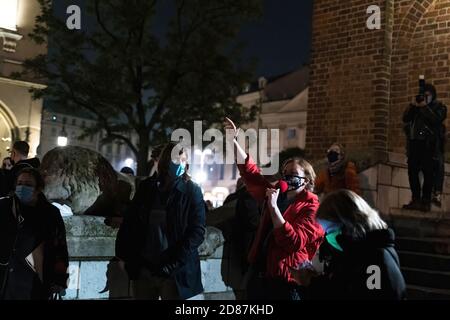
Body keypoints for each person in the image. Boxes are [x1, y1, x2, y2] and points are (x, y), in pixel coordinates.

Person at [224, 117, 324, 300]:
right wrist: (233, 141)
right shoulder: (277, 192)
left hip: (287, 283)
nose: (287, 178)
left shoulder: (312, 207)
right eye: (285, 174)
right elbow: (251, 173)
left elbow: (293, 242)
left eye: (293, 175)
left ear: (307, 180)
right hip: (261, 275)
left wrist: (273, 209)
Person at [115, 142, 206, 300]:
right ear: (166, 161)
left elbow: (197, 232)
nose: (180, 164)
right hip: (144, 268)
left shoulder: (192, 190)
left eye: (183, 160)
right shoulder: (147, 188)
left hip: (175, 272)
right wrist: (123, 256)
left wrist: (172, 264)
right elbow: (130, 223)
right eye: (176, 160)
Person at [290, 189, 406, 300]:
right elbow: (342, 286)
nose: (328, 237)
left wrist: (311, 285)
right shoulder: (355, 252)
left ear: (350, 224)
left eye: (330, 230)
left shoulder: (375, 260)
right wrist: (313, 282)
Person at [0, 168, 69, 300]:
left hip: (34, 281)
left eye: (28, 184)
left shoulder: (50, 214)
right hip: (7, 279)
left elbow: (60, 247)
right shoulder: (5, 207)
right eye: (19, 183)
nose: (22, 187)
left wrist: (60, 281)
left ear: (38, 188)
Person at [403, 83, 447, 212]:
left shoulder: (439, 107)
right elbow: (405, 118)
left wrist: (424, 107)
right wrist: (412, 105)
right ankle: (415, 199)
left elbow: (436, 120)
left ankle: (426, 201)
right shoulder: (416, 107)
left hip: (429, 144)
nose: (424, 98)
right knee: (412, 172)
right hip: (415, 143)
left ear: (432, 95)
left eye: (427, 95)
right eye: (423, 95)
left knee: (429, 173)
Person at [432, 124, 446, 207]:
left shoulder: (440, 127)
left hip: (437, 153)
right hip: (429, 152)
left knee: (440, 167)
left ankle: (437, 194)